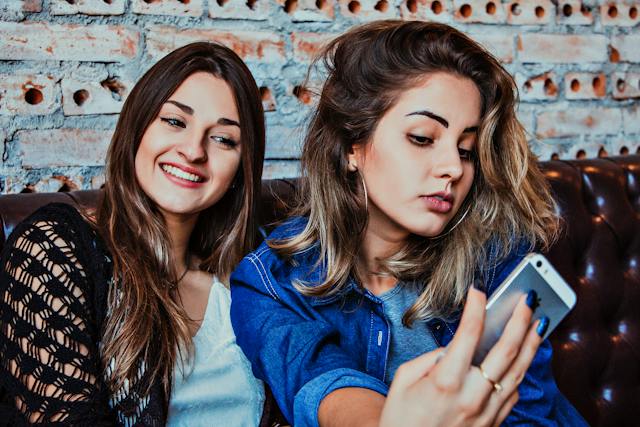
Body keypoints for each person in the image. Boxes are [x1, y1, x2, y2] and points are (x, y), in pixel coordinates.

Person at [230, 20, 588, 427]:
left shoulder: (497, 258)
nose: (453, 167)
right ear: (352, 145)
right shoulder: (270, 280)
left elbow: (530, 413)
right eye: (422, 137)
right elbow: (320, 382)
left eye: (467, 149)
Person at [0, 42, 267, 426]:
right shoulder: (55, 247)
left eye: (223, 139)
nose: (193, 151)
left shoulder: (252, 276)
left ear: (241, 169)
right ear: (138, 125)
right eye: (175, 121)